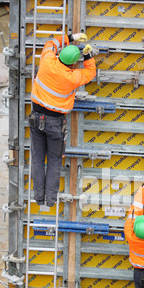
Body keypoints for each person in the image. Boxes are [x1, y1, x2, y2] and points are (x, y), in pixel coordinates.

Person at [29, 33, 96, 207]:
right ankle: (50, 200)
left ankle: (38, 197)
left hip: (36, 118)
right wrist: (88, 56)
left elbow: (50, 43)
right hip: (55, 123)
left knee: (37, 158)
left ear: (60, 55)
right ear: (74, 63)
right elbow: (90, 72)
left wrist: (70, 36)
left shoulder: (47, 60)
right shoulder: (72, 76)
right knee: (54, 160)